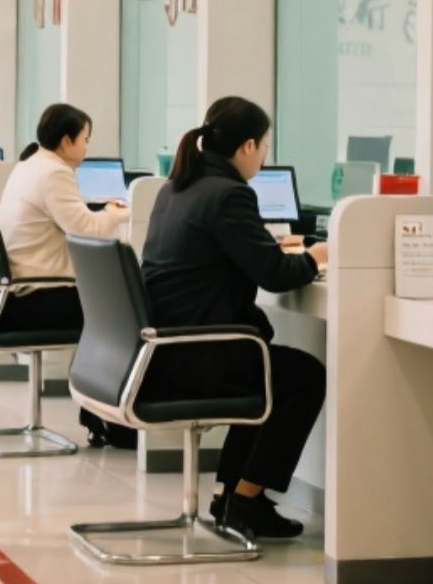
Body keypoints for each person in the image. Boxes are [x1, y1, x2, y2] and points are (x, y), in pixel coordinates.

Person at [140, 96, 328, 539]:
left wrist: (265, 248)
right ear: (246, 146)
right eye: (264, 147)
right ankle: (244, 499)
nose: (263, 156)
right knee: (303, 376)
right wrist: (317, 256)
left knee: (269, 371)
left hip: (165, 348)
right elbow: (275, 275)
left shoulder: (177, 187)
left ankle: (232, 495)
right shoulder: (229, 194)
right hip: (198, 354)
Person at [0, 103, 132, 447]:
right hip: (36, 297)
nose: (87, 147)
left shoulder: (29, 165)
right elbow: (85, 229)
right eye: (85, 139)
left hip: (13, 294)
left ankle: (99, 414)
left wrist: (99, 212)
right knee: (121, 315)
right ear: (67, 141)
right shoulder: (54, 172)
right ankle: (106, 416)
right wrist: (116, 215)